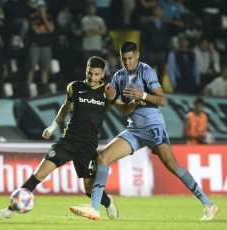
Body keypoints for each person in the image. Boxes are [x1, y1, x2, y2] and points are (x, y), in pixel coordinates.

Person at [69, 41, 219, 221]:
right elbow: (123, 109)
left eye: (130, 58)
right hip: (134, 130)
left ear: (137, 55)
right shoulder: (118, 76)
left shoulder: (146, 71)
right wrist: (110, 100)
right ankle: (95, 207)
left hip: (153, 127)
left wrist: (144, 95)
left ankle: (208, 204)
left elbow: (163, 101)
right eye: (124, 59)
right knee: (102, 158)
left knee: (172, 165)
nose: (127, 62)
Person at [0, 56, 140, 221]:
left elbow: (110, 109)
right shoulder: (74, 87)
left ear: (102, 74)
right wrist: (52, 127)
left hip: (88, 146)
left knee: (90, 191)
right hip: (67, 141)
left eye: (96, 74)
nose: (92, 77)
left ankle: (108, 202)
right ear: (86, 70)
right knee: (39, 174)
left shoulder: (107, 91)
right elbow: (65, 107)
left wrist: (127, 100)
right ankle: (9, 209)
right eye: (90, 73)